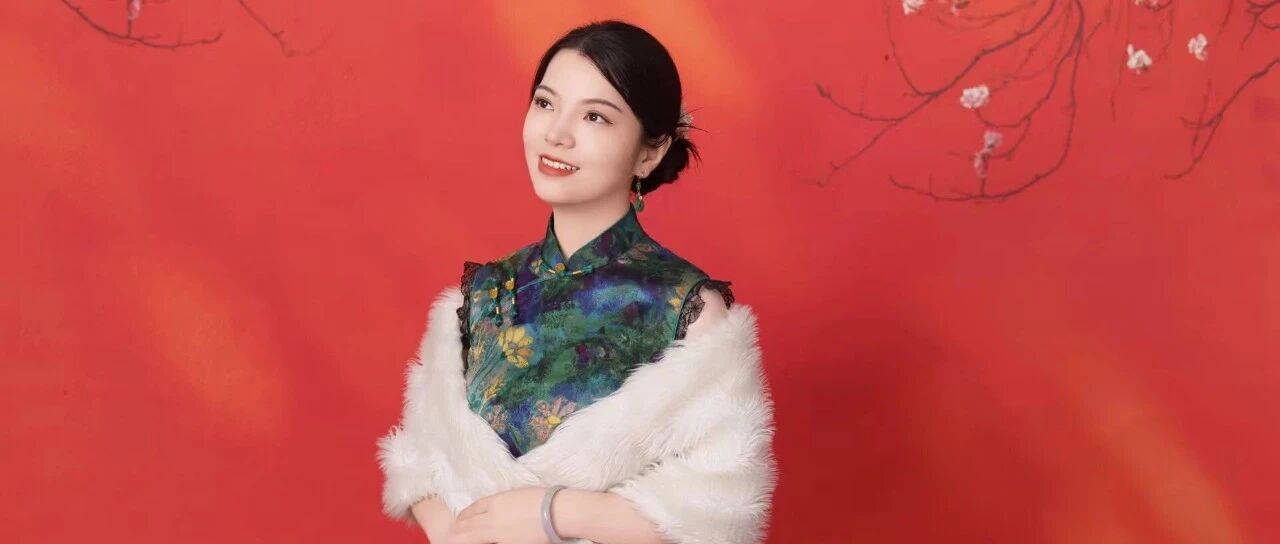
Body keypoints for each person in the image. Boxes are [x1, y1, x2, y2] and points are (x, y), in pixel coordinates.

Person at [378, 20, 776, 544]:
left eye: (594, 116)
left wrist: (553, 512)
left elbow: (719, 509)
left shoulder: (687, 310)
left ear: (651, 152)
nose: (557, 134)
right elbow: (421, 458)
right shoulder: (482, 295)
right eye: (546, 103)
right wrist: (452, 532)